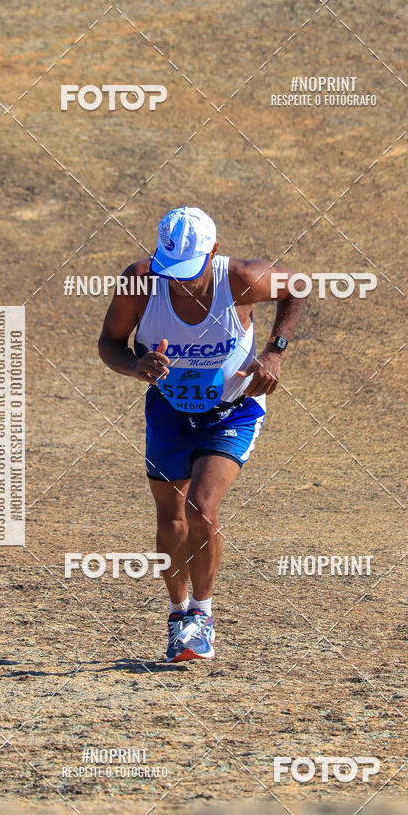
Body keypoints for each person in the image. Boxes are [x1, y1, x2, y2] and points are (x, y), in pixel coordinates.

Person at [99, 206, 305, 662]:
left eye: (187, 273)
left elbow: (299, 286)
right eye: (168, 269)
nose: (176, 280)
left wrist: (275, 351)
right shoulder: (140, 281)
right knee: (170, 520)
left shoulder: (243, 278)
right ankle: (179, 617)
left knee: (201, 508)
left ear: (212, 252)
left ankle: (204, 613)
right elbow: (108, 343)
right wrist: (135, 365)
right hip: (169, 412)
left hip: (232, 411)